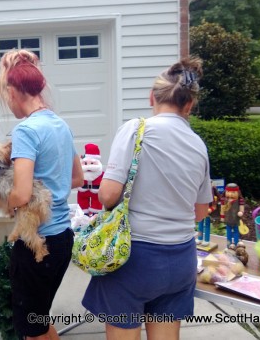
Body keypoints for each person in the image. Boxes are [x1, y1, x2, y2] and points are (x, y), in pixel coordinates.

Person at [82, 57, 212, 340]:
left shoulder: (136, 129)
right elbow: (201, 211)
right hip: (181, 260)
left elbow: (108, 194)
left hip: (135, 258)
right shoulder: (198, 145)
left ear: (151, 97)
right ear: (189, 105)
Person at [0, 49, 84, 340]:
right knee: (39, 320)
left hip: (37, 244)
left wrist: (6, 203)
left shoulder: (27, 130)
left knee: (33, 328)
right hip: (62, 240)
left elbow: (20, 194)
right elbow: (77, 178)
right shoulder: (60, 124)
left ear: (13, 91)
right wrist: (50, 188)